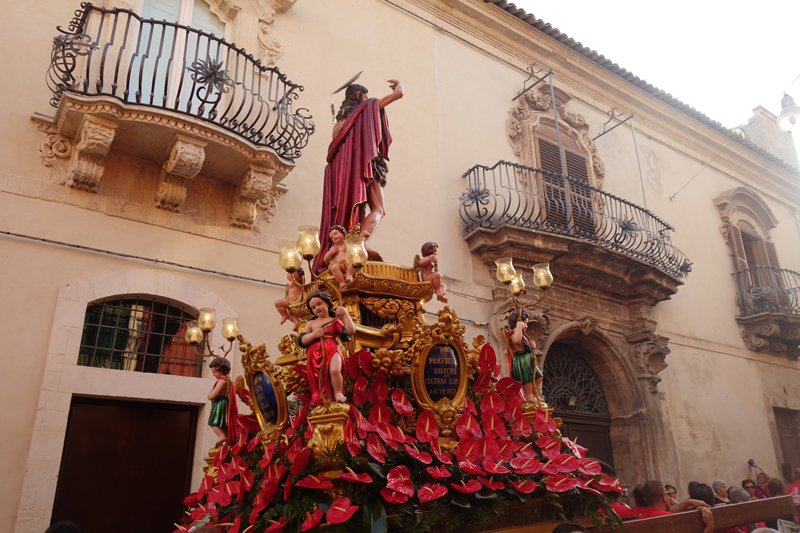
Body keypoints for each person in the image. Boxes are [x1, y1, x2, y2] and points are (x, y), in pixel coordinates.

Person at [313, 78, 404, 274]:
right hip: (364, 166)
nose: (368, 98)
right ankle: (359, 244)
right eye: (365, 94)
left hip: (342, 175)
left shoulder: (337, 124)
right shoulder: (366, 107)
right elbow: (398, 95)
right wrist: (399, 86)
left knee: (357, 207)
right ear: (359, 96)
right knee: (379, 208)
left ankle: (357, 243)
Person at [298, 290, 356, 405]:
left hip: (332, 348)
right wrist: (313, 335)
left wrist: (345, 314)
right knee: (321, 375)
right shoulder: (311, 323)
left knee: (334, 370)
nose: (317, 308)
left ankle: (338, 393)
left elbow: (350, 331)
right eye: (313, 307)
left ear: (328, 304)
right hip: (316, 352)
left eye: (319, 304)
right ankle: (326, 397)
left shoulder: (334, 321)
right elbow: (301, 340)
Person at [638, 480, 715, 533]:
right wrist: (709, 527)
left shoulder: (640, 519)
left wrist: (689, 502)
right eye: (668, 495)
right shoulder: (672, 519)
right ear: (664, 497)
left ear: (645, 500)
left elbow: (668, 510)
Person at [505, 309, 543, 403]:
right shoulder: (514, 334)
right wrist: (519, 326)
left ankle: (535, 395)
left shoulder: (522, 335)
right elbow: (516, 341)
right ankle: (529, 396)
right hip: (522, 360)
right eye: (525, 323)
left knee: (539, 377)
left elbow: (526, 346)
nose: (526, 326)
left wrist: (532, 346)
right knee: (528, 379)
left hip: (527, 359)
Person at [208, 358, 237, 448]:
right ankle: (227, 440)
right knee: (224, 424)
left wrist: (209, 393)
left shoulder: (221, 381)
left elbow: (211, 396)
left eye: (214, 372)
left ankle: (222, 436)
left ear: (221, 371)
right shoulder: (228, 381)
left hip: (220, 404)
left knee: (213, 423)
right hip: (225, 404)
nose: (213, 375)